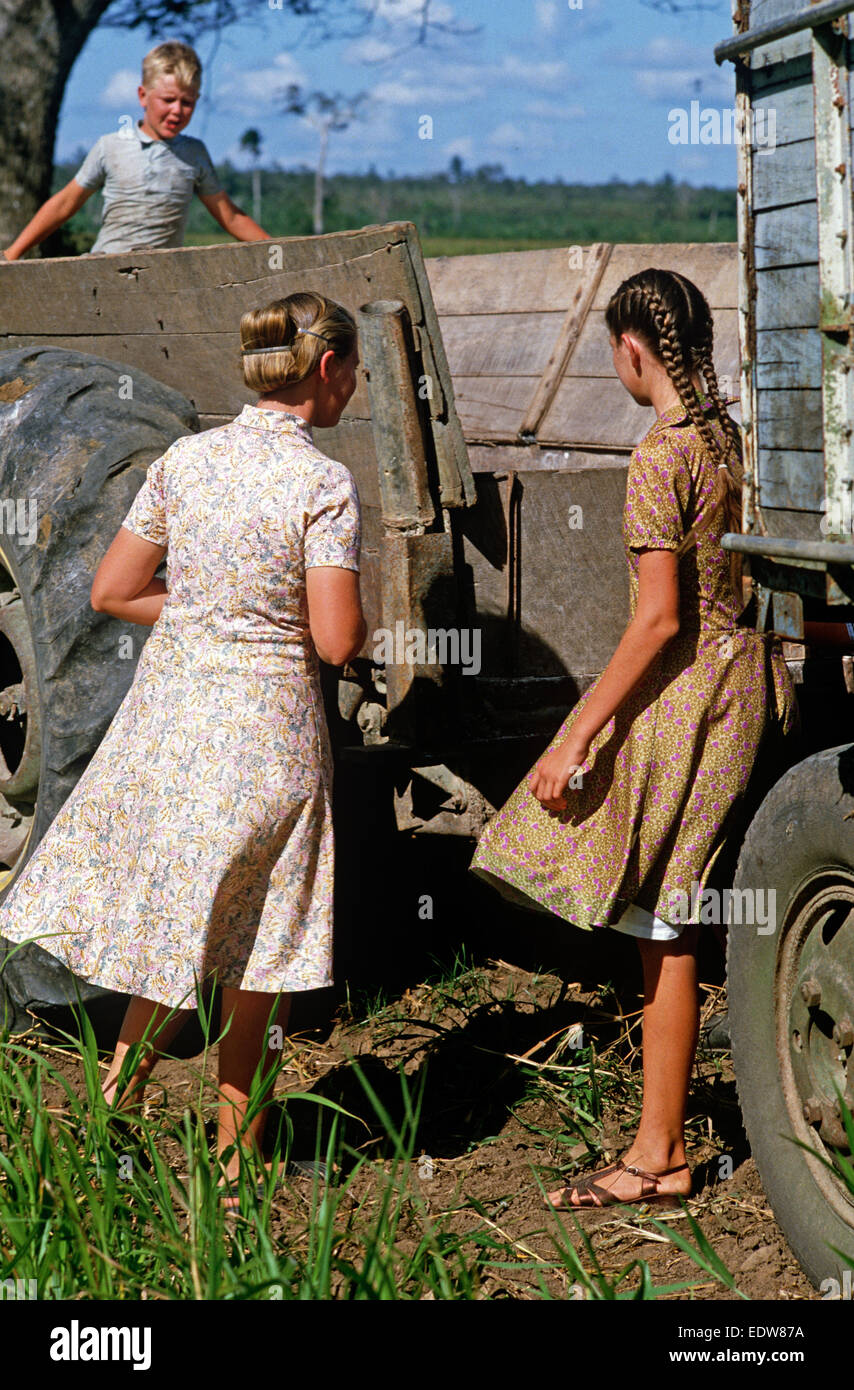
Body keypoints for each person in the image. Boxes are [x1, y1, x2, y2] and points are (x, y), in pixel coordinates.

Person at [0, 291, 365, 1207]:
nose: (353, 387)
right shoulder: (323, 485)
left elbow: (114, 591)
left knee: (178, 927)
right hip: (267, 727)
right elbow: (334, 642)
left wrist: (205, 613)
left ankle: (108, 1119)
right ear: (326, 371)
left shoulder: (185, 461)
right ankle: (240, 1159)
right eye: (353, 370)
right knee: (265, 950)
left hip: (175, 723)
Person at [469, 268, 798, 1209]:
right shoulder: (727, 438)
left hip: (691, 689)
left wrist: (575, 733)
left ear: (630, 349)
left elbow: (657, 619)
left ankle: (658, 1156)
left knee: (661, 914)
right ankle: (661, 1145)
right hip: (748, 679)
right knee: (669, 909)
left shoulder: (660, 456)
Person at [2, 41, 269, 261]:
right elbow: (64, 204)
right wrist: (12, 254)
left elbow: (231, 216)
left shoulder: (194, 153)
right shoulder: (110, 146)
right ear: (143, 96)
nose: (177, 110)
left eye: (187, 102)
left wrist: (279, 250)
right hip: (103, 267)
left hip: (163, 277)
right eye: (168, 100)